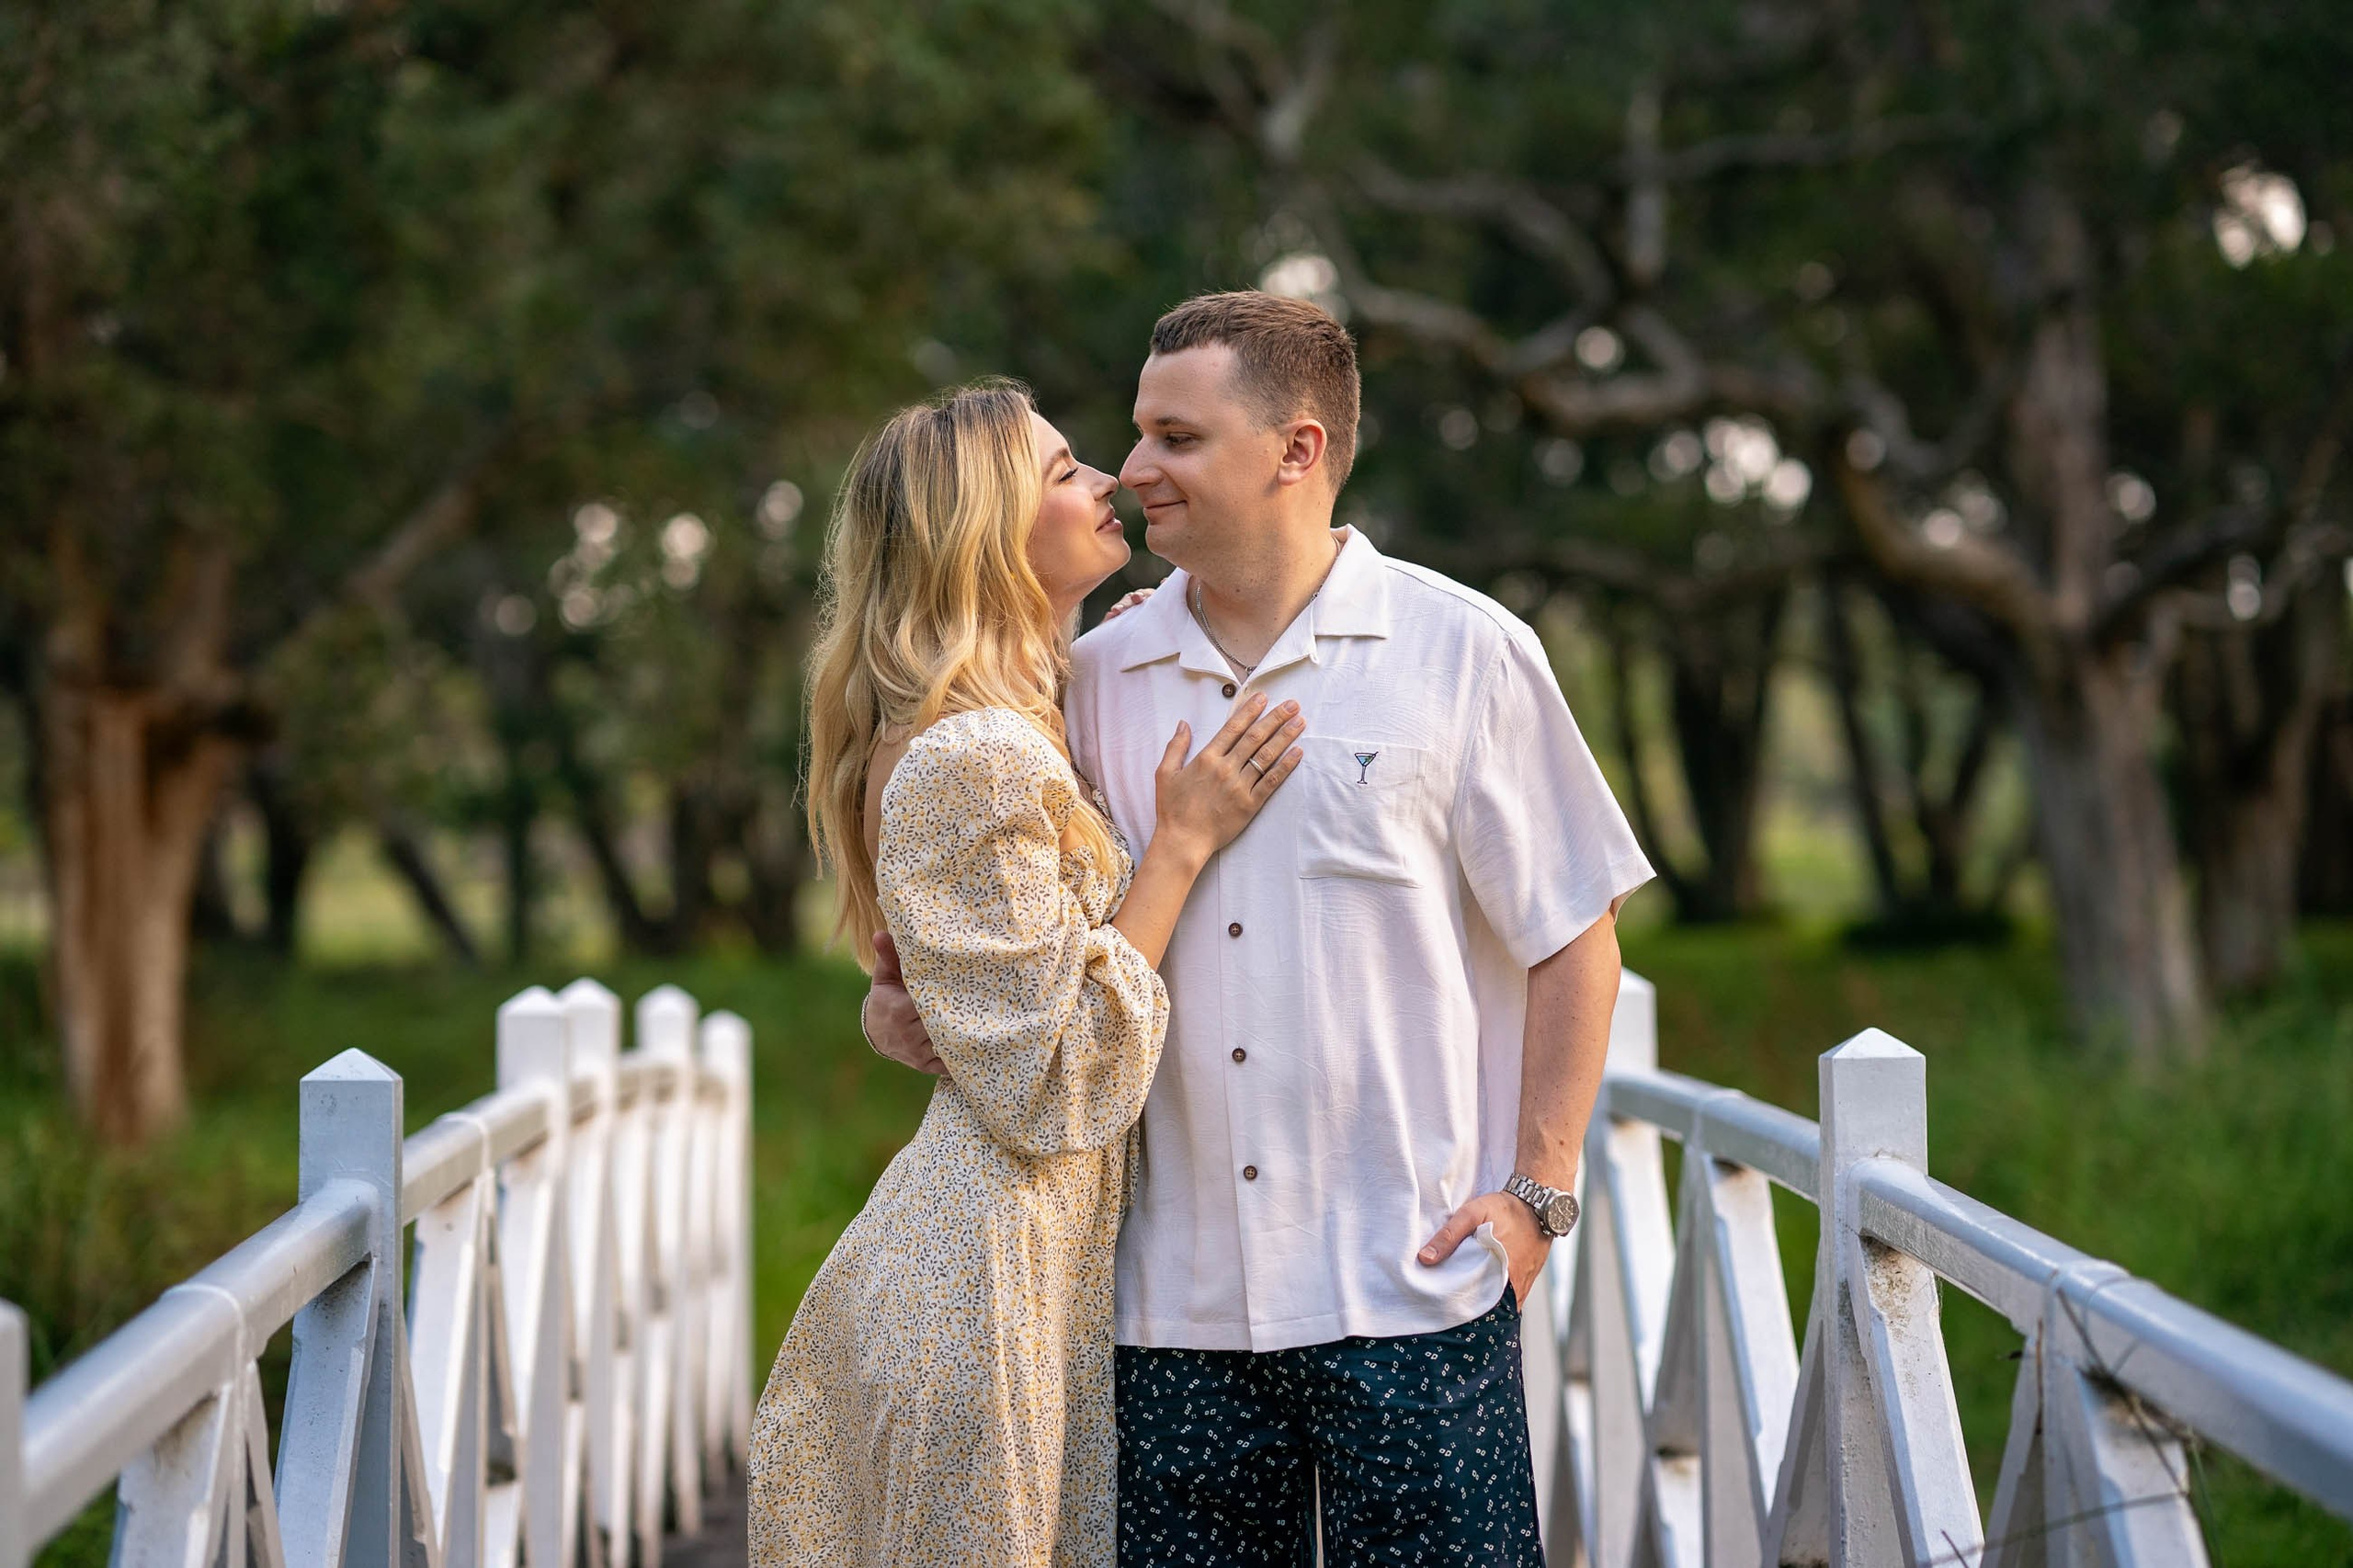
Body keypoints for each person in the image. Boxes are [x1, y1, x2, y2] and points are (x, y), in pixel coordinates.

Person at [865, 293, 1654, 1564]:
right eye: (1132, 435)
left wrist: (1538, 1201)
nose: (1134, 471)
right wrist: (903, 1000)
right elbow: (998, 949)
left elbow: (1577, 933)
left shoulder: (1465, 653)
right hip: (1161, 1319)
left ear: (1294, 450)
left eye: (1176, 437)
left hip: (1417, 1297)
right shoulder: (1087, 684)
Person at [747, 379, 1307, 1568]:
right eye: (1063, 472)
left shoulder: (1011, 719)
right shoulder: (976, 752)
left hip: (1033, 1264)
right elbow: (1053, 1084)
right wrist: (1183, 842)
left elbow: (958, 986)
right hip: (987, 1282)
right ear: (988, 532)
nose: (1108, 478)